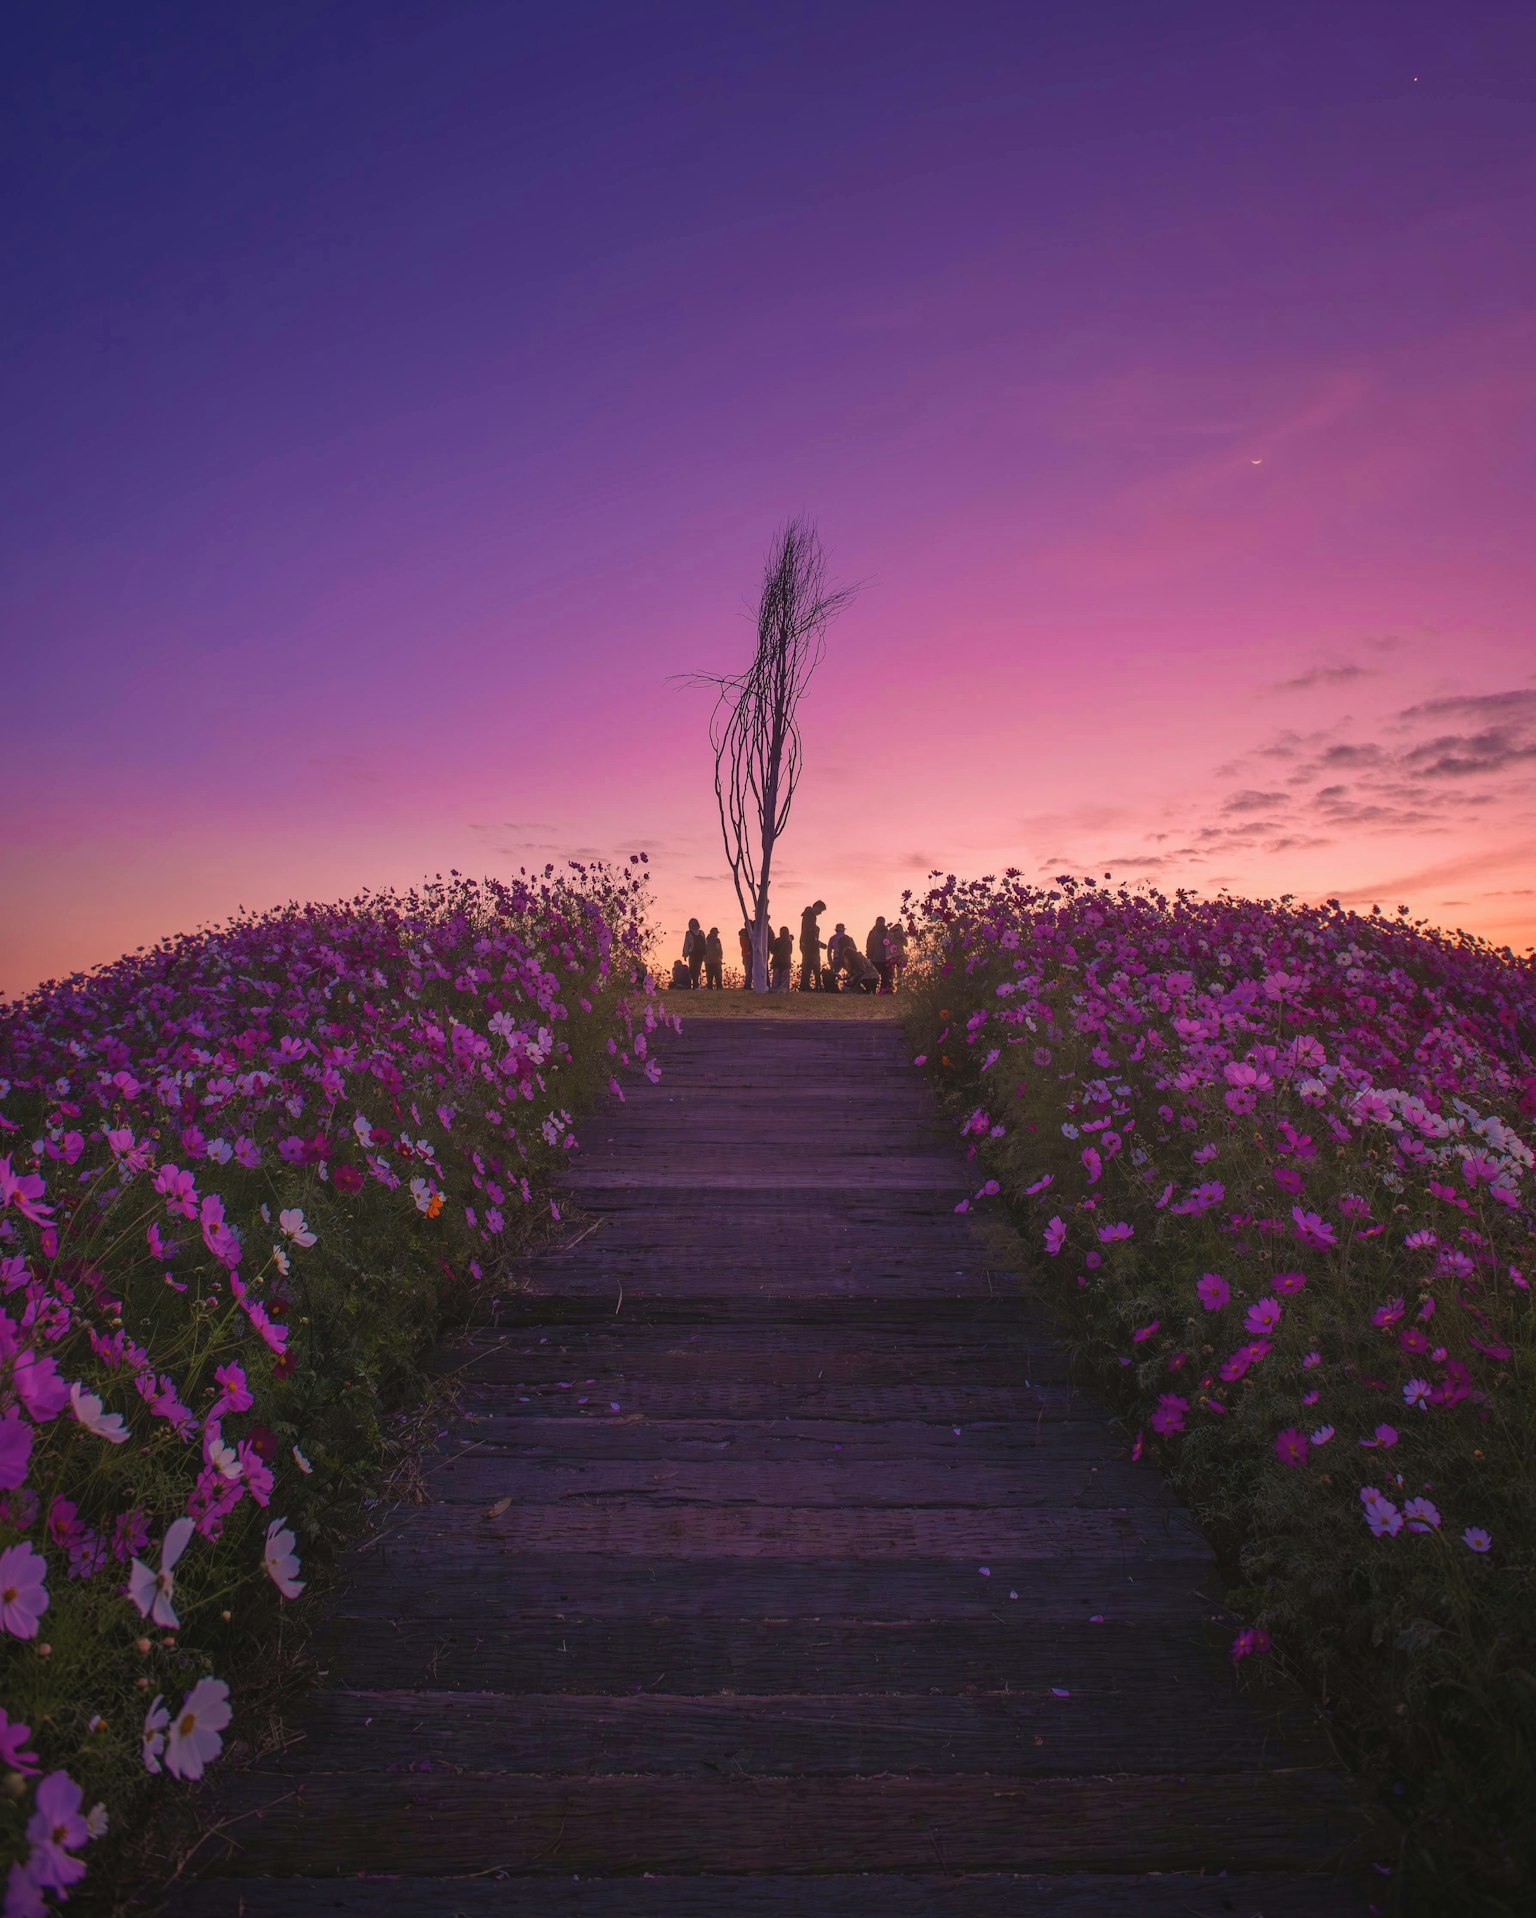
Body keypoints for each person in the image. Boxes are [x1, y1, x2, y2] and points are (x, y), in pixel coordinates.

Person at [798, 900, 826, 992]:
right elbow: (809, 930)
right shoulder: (810, 914)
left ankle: (805, 985)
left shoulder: (808, 914)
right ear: (817, 907)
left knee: (808, 965)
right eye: (820, 911)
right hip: (809, 944)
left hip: (807, 944)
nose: (820, 913)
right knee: (809, 964)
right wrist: (816, 942)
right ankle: (806, 986)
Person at [866, 917, 891, 994]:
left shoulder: (888, 933)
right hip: (874, 959)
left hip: (885, 959)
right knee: (873, 977)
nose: (880, 924)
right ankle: (873, 991)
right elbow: (869, 945)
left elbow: (890, 945)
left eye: (882, 922)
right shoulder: (872, 933)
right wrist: (869, 956)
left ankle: (883, 992)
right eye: (879, 922)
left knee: (885, 977)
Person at [885, 918, 908, 991]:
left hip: (900, 956)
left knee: (900, 973)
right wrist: (891, 930)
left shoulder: (901, 937)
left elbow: (906, 944)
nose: (898, 932)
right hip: (892, 957)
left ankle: (900, 988)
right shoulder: (890, 936)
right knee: (892, 974)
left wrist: (902, 936)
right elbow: (887, 939)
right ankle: (891, 988)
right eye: (897, 930)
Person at [683, 918, 706, 989]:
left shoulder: (688, 933)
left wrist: (685, 954)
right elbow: (705, 943)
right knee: (697, 969)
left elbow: (686, 944)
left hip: (692, 953)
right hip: (701, 954)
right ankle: (696, 985)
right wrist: (705, 953)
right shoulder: (701, 932)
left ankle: (695, 985)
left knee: (692, 969)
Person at [769, 924, 793, 992]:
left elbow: (772, 951)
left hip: (777, 962)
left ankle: (775, 990)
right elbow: (790, 952)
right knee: (784, 980)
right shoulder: (788, 942)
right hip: (786, 962)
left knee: (776, 979)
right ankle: (783, 991)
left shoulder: (776, 941)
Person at [738, 924, 753, 989]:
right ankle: (747, 986)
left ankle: (747, 985)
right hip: (748, 955)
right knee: (749, 971)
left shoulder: (742, 935)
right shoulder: (747, 935)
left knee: (748, 971)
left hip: (745, 955)